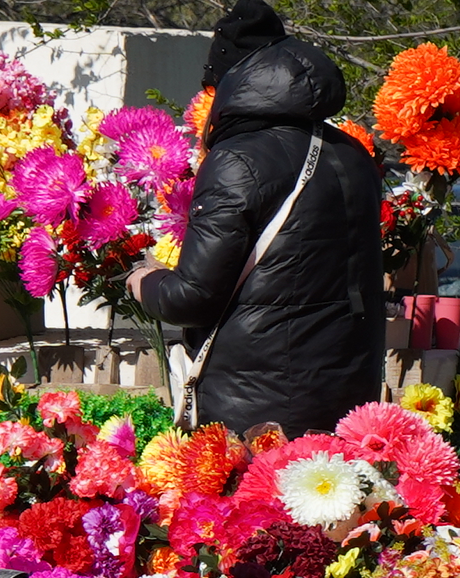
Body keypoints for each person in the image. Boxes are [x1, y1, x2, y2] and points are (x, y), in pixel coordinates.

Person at [135, 28, 385, 439]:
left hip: (254, 409)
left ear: (235, 84)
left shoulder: (237, 159)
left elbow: (192, 298)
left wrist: (144, 281)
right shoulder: (352, 154)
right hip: (349, 399)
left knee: (255, 484)